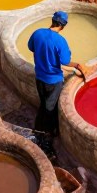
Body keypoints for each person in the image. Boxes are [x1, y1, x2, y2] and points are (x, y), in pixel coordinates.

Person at [27, 11, 87, 152]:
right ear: (63, 25)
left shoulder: (38, 33)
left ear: (52, 21)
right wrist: (77, 65)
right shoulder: (60, 41)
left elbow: (31, 47)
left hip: (39, 77)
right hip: (53, 81)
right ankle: (43, 136)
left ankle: (43, 130)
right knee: (49, 108)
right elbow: (65, 61)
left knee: (44, 103)